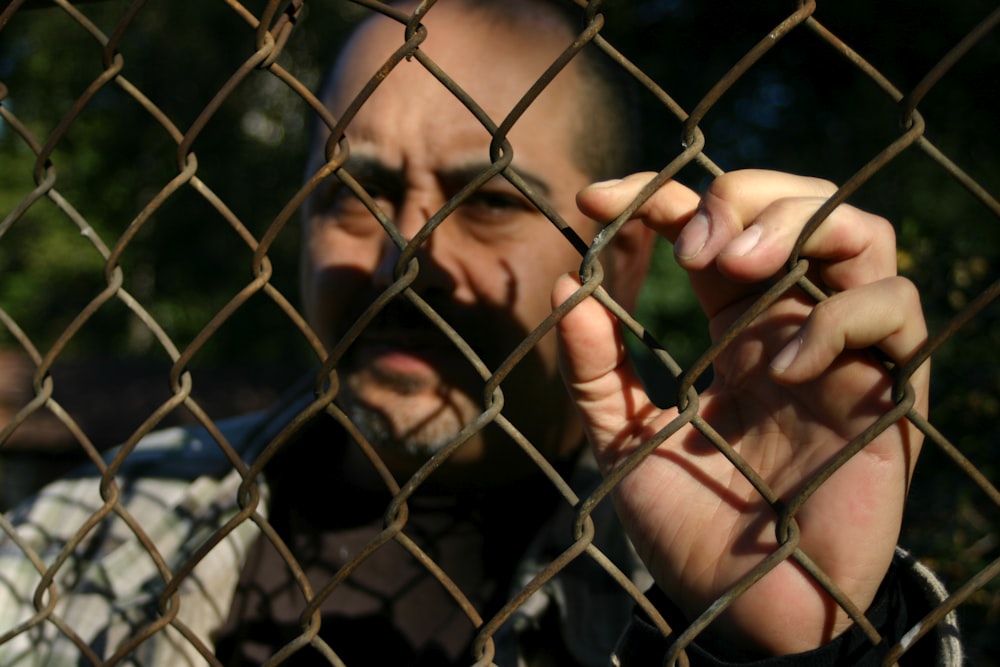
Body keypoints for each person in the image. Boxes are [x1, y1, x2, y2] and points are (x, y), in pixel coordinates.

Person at [0, 0, 961, 665]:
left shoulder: (655, 582)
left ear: (618, 260)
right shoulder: (102, 527)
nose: (402, 259)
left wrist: (789, 646)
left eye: (490, 199)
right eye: (357, 193)